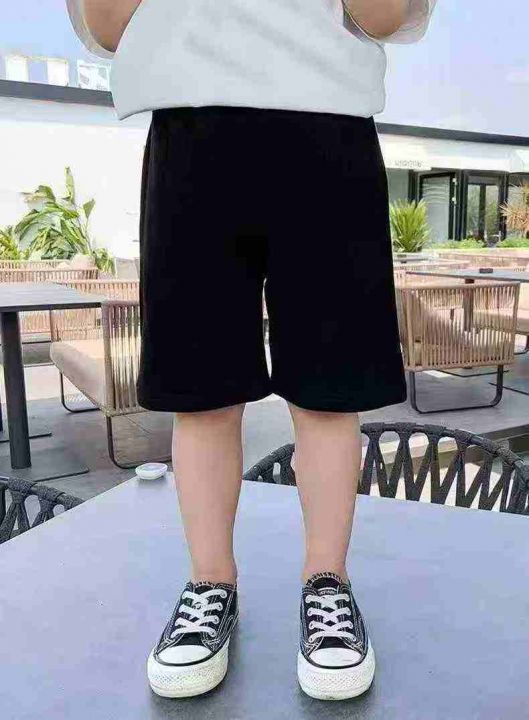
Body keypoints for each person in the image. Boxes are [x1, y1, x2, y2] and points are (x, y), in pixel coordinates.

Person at [67, 0, 436, 701]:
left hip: (329, 120)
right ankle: (210, 585)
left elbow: (382, 15)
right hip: (190, 123)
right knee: (201, 389)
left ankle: (327, 583)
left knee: (329, 391)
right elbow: (111, 27)